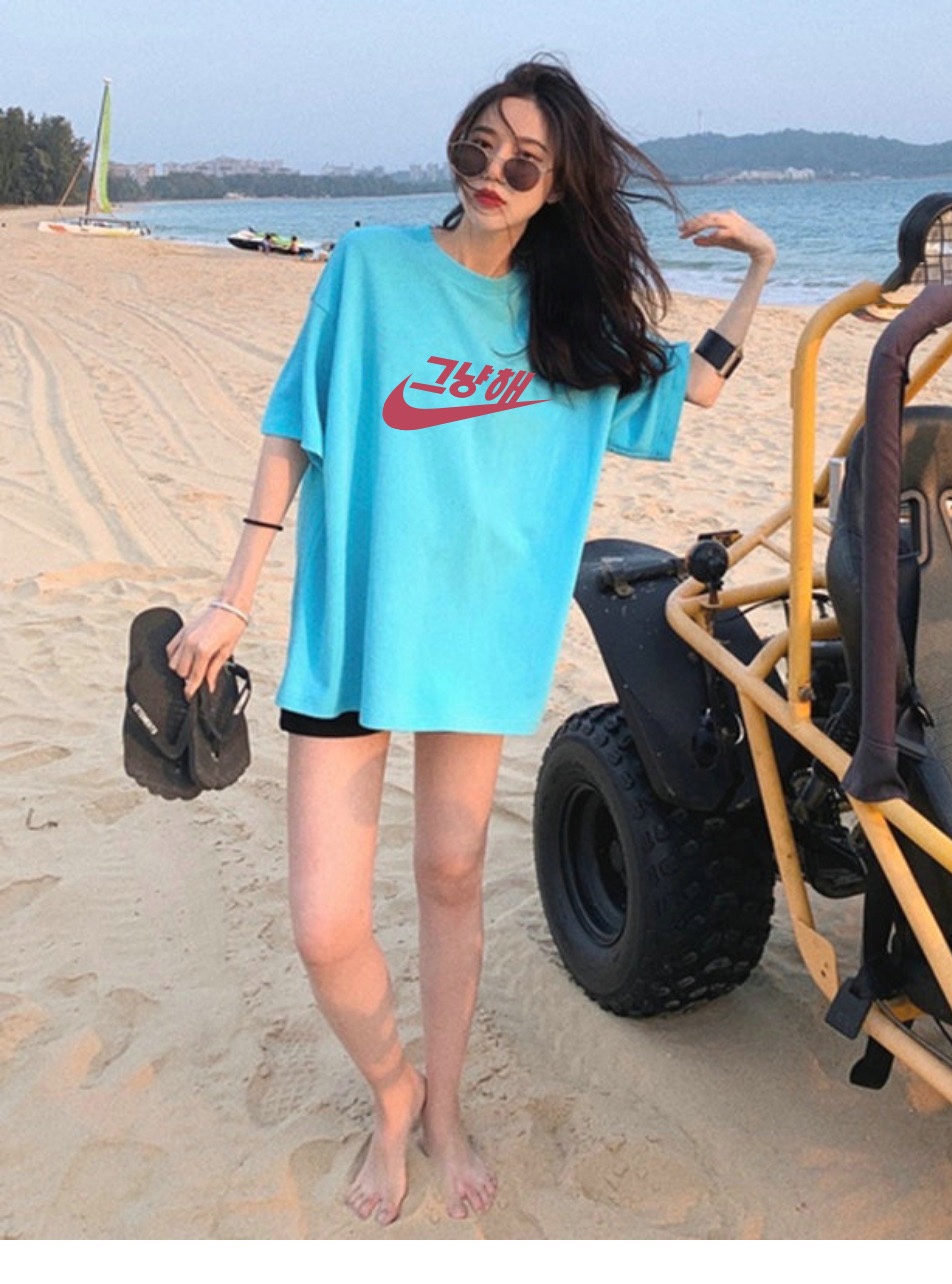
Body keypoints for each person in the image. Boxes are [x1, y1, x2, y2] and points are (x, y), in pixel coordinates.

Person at [166, 56, 775, 1225]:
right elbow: (294, 426)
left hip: (482, 636)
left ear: (561, 185)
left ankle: (442, 1110)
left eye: (525, 162)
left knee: (449, 877)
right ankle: (392, 1092)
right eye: (477, 146)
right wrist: (233, 595)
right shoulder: (371, 269)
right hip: (357, 625)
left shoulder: (572, 324)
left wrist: (759, 266)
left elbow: (695, 389)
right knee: (325, 925)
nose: (493, 172)